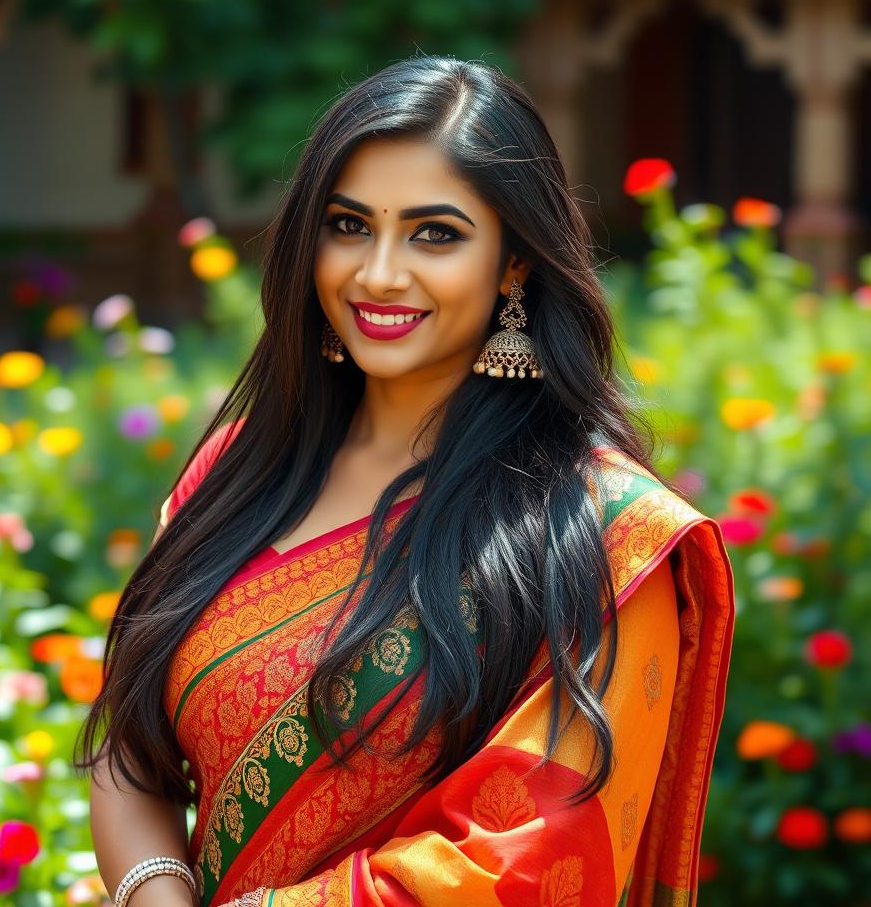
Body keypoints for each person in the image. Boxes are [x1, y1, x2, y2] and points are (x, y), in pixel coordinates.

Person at [77, 56, 735, 907]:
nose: (379, 273)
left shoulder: (604, 536)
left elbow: (529, 865)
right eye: (349, 225)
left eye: (436, 234)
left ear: (514, 263)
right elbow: (130, 745)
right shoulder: (236, 472)